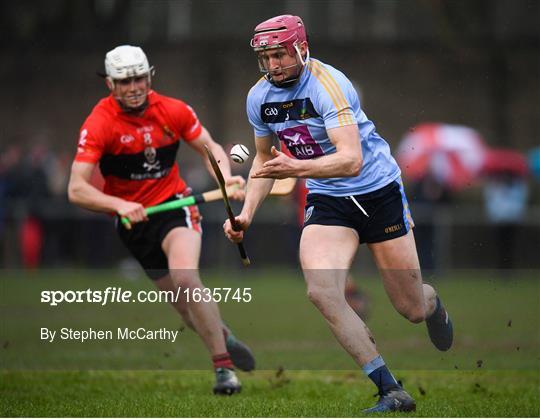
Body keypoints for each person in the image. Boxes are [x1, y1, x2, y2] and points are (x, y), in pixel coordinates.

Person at [223, 15, 453, 412]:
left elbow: (350, 160)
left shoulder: (330, 85)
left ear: (301, 49)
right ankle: (390, 390)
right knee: (322, 291)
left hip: (378, 192)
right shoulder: (258, 98)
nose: (273, 64)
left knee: (410, 308)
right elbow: (265, 162)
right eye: (266, 56)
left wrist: (293, 168)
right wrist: (245, 214)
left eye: (280, 54)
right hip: (329, 199)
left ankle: (432, 305)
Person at [68, 45, 254, 395]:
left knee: (186, 278)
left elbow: (210, 147)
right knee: (185, 310)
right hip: (134, 224)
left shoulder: (173, 110)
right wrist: (118, 205)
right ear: (111, 84)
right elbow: (76, 189)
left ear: (149, 76)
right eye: (125, 81)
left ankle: (223, 370)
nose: (134, 86)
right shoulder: (100, 124)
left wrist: (225, 177)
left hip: (175, 207)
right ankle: (223, 334)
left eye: (139, 78)